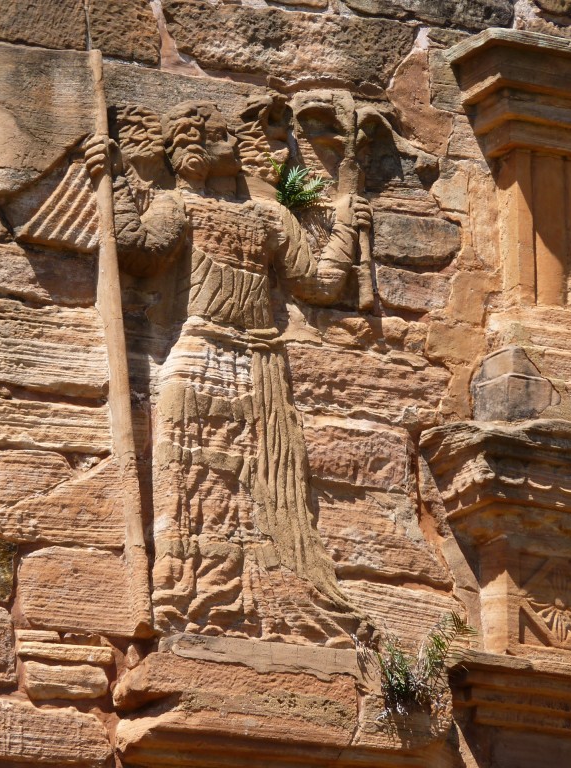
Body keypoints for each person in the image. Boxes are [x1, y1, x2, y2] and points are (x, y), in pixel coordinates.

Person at [86, 99, 371, 646]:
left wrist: (344, 225)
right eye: (220, 134)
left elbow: (319, 284)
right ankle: (187, 596)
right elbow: (138, 249)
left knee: (265, 488)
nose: (233, 142)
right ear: (192, 146)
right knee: (194, 480)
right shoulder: (178, 205)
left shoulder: (270, 216)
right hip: (200, 353)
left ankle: (265, 602)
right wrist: (114, 176)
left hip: (261, 362)